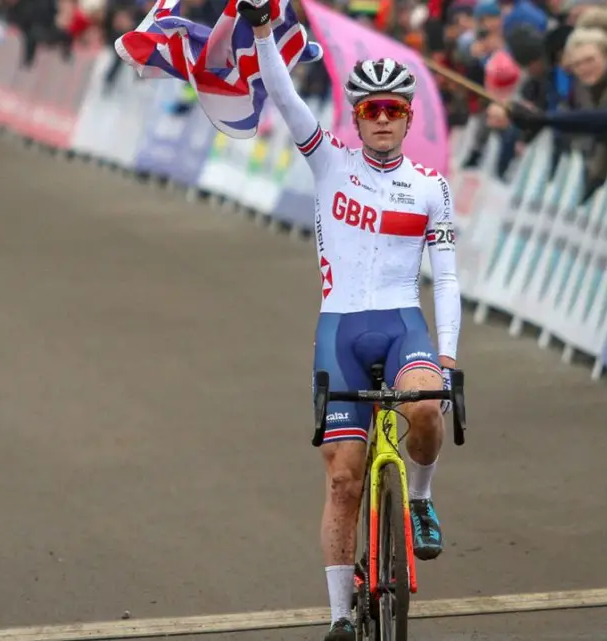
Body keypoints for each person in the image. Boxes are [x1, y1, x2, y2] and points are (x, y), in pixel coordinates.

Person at [237, 2, 462, 639]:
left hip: (402, 326)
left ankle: (418, 501)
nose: (384, 120)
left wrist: (446, 355)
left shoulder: (430, 187)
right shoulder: (329, 160)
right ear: (357, 116)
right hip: (340, 329)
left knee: (425, 410)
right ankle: (339, 615)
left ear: (408, 117)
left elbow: (445, 276)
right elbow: (282, 94)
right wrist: (259, 32)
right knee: (343, 480)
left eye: (395, 110)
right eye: (372, 110)